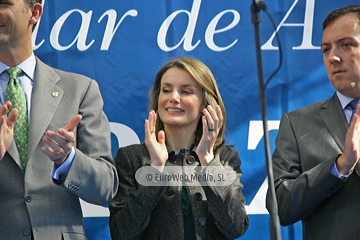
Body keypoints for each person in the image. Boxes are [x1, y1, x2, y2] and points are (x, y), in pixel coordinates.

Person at [0, 0, 118, 239]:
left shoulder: (80, 89)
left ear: (34, 13)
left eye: (3, 3)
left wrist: (68, 160)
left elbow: (106, 188)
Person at [109, 57, 249, 240]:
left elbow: (236, 228)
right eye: (166, 90)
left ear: (205, 105)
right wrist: (156, 169)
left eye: (186, 91)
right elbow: (122, 233)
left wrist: (207, 160)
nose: (173, 98)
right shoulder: (131, 158)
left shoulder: (224, 157)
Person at [266, 4, 360, 240]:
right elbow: (279, 207)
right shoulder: (298, 124)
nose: (333, 57)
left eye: (346, 44)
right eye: (326, 49)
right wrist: (338, 167)